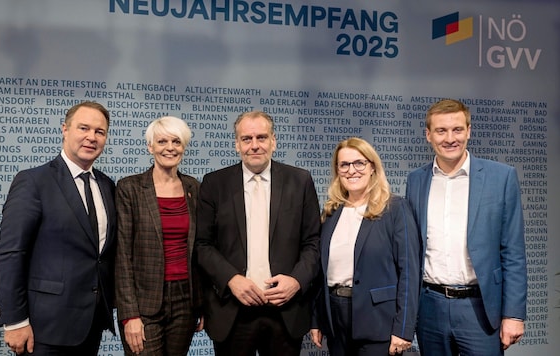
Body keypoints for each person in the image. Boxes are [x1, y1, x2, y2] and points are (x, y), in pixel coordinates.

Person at [406, 98, 527, 355]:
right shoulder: (416, 180)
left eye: (457, 130)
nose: (450, 138)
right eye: (441, 131)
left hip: (481, 309)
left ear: (469, 131)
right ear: (428, 135)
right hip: (430, 306)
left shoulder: (501, 177)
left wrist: (514, 314)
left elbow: (513, 251)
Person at [195, 110, 321, 356]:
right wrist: (232, 279)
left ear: (273, 141)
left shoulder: (300, 181)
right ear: (236, 144)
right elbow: (202, 245)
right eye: (246, 139)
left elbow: (313, 243)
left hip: (284, 311)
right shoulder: (214, 184)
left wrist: (296, 281)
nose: (254, 145)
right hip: (232, 311)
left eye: (261, 138)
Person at [0, 101, 117, 355]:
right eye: (83, 128)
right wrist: (15, 321)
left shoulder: (107, 186)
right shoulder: (33, 181)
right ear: (65, 129)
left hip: (91, 324)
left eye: (99, 131)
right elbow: (11, 254)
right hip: (45, 328)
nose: (91, 137)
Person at [309, 137, 420, 356]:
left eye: (359, 163)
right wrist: (316, 319)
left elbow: (409, 272)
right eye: (344, 165)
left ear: (372, 167)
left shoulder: (395, 209)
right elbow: (319, 273)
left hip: (379, 321)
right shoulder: (331, 213)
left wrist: (404, 328)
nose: (352, 170)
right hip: (335, 318)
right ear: (337, 171)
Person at [114, 116, 203, 355]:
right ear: (150, 146)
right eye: (162, 141)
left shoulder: (194, 187)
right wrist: (129, 315)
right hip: (144, 303)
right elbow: (122, 257)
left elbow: (201, 249)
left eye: (176, 141)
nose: (170, 148)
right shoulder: (129, 188)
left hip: (186, 299)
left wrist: (202, 305)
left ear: (184, 147)